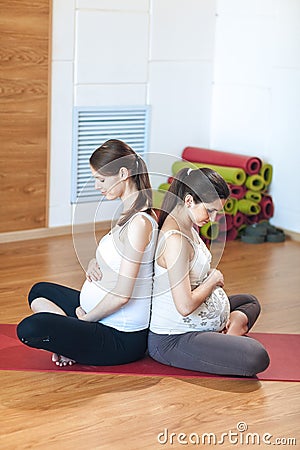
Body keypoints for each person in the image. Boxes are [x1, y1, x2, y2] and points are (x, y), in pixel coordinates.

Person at [17, 139, 158, 367]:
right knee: (39, 291)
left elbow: (123, 295)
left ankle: (72, 340)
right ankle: (71, 341)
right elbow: (117, 256)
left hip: (119, 337)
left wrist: (86, 320)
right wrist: (95, 261)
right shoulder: (128, 214)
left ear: (123, 173)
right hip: (97, 315)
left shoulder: (140, 223)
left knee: (29, 329)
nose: (96, 186)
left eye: (101, 179)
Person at [148, 167, 270, 377]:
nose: (213, 219)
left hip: (201, 319)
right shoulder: (175, 241)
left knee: (250, 301)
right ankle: (228, 337)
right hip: (174, 338)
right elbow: (184, 306)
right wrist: (213, 280)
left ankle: (227, 333)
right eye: (210, 210)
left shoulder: (189, 225)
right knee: (257, 356)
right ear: (188, 201)